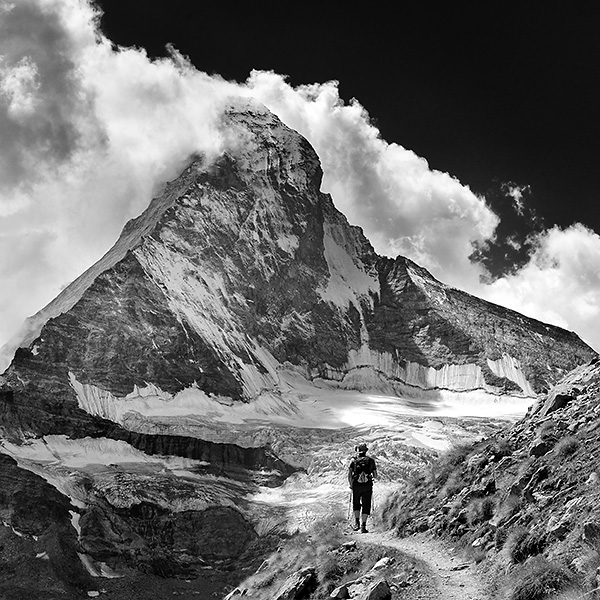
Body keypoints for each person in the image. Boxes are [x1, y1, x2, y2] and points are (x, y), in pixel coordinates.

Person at [348, 442, 377, 533]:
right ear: (365, 451)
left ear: (358, 451)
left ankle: (357, 523)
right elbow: (375, 475)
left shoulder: (353, 461)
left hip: (356, 485)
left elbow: (349, 475)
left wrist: (351, 485)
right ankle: (363, 526)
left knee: (356, 504)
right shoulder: (371, 461)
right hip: (367, 485)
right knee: (366, 504)